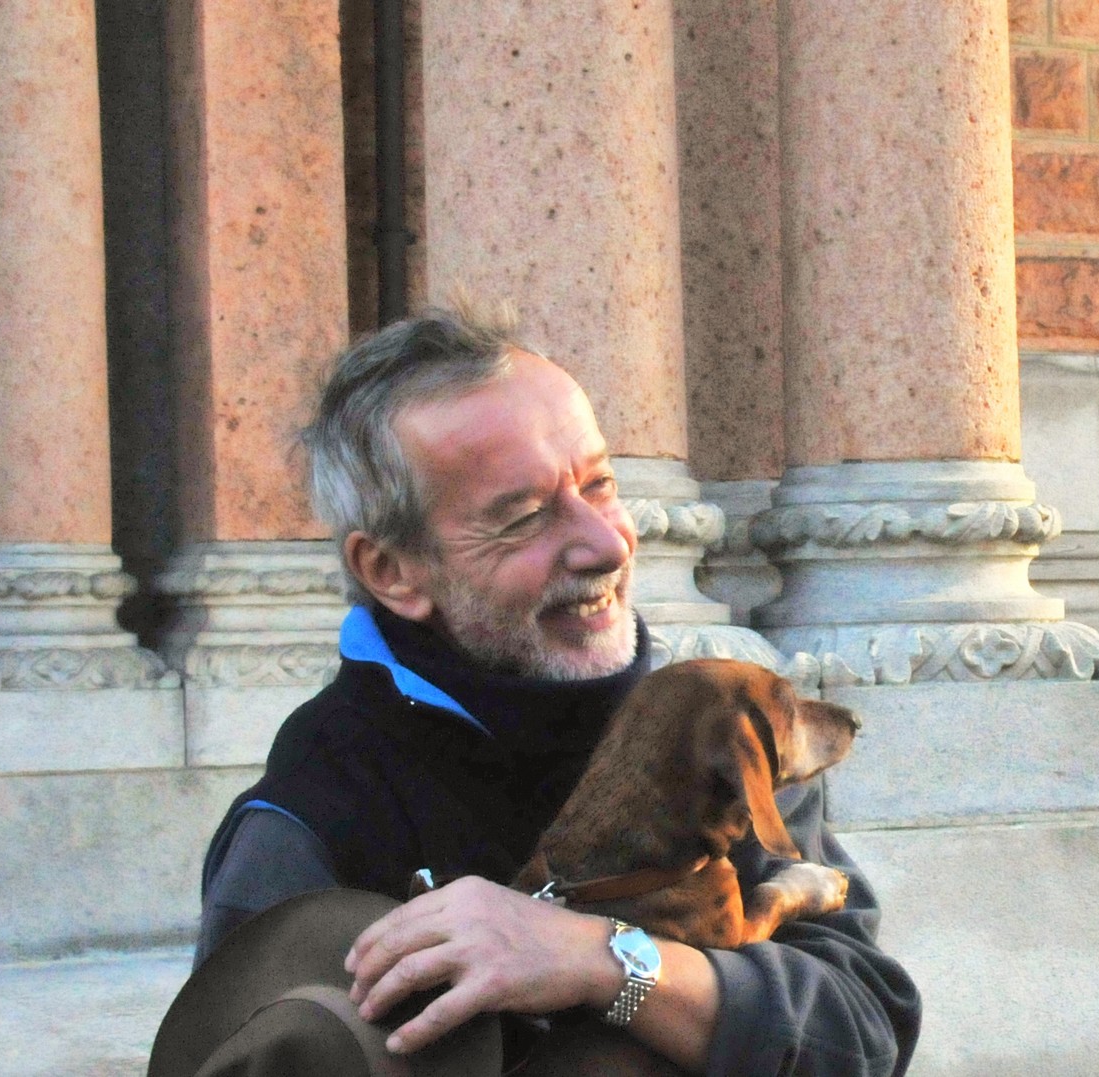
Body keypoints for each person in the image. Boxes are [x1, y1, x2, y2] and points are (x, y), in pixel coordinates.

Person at [189, 305, 920, 1075]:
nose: (607, 543)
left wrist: (605, 962)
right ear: (392, 571)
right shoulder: (311, 816)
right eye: (526, 516)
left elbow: (863, 1032)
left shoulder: (712, 725)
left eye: (600, 485)